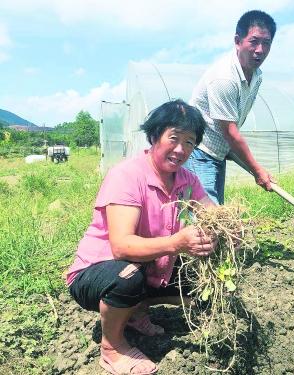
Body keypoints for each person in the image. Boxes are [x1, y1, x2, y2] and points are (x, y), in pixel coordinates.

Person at [66, 99, 217, 375]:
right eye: (174, 138)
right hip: (98, 273)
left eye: (190, 142)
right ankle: (111, 348)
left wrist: (226, 228)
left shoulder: (187, 180)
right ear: (155, 135)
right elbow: (122, 246)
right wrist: (177, 243)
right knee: (127, 276)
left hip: (149, 266)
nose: (181, 149)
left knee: (197, 281)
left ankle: (135, 312)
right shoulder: (127, 175)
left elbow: (211, 212)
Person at [186, 10, 277, 204]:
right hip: (200, 151)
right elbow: (230, 132)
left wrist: (252, 167)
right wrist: (257, 170)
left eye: (266, 43)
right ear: (238, 41)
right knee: (207, 217)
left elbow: (233, 123)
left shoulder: (257, 75)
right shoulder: (224, 77)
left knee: (215, 211)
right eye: (254, 41)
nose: (260, 49)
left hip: (219, 152)